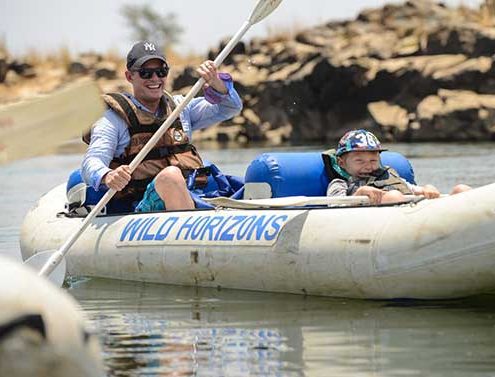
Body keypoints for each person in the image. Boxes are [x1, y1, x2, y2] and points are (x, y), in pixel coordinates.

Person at [81, 41, 243, 212]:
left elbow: (230, 108)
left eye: (161, 72)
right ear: (130, 77)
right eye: (146, 73)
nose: (155, 79)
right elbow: (91, 162)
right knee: (170, 177)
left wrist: (216, 83)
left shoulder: (180, 107)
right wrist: (108, 176)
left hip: (193, 194)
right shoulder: (113, 119)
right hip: (143, 203)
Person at [324, 129, 471, 205]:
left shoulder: (388, 175)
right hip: (384, 221)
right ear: (342, 163)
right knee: (394, 197)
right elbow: (334, 206)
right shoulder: (340, 183)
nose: (368, 166)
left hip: (413, 210)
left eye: (373, 160)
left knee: (461, 189)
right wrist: (359, 194)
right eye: (360, 161)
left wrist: (426, 189)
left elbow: (413, 189)